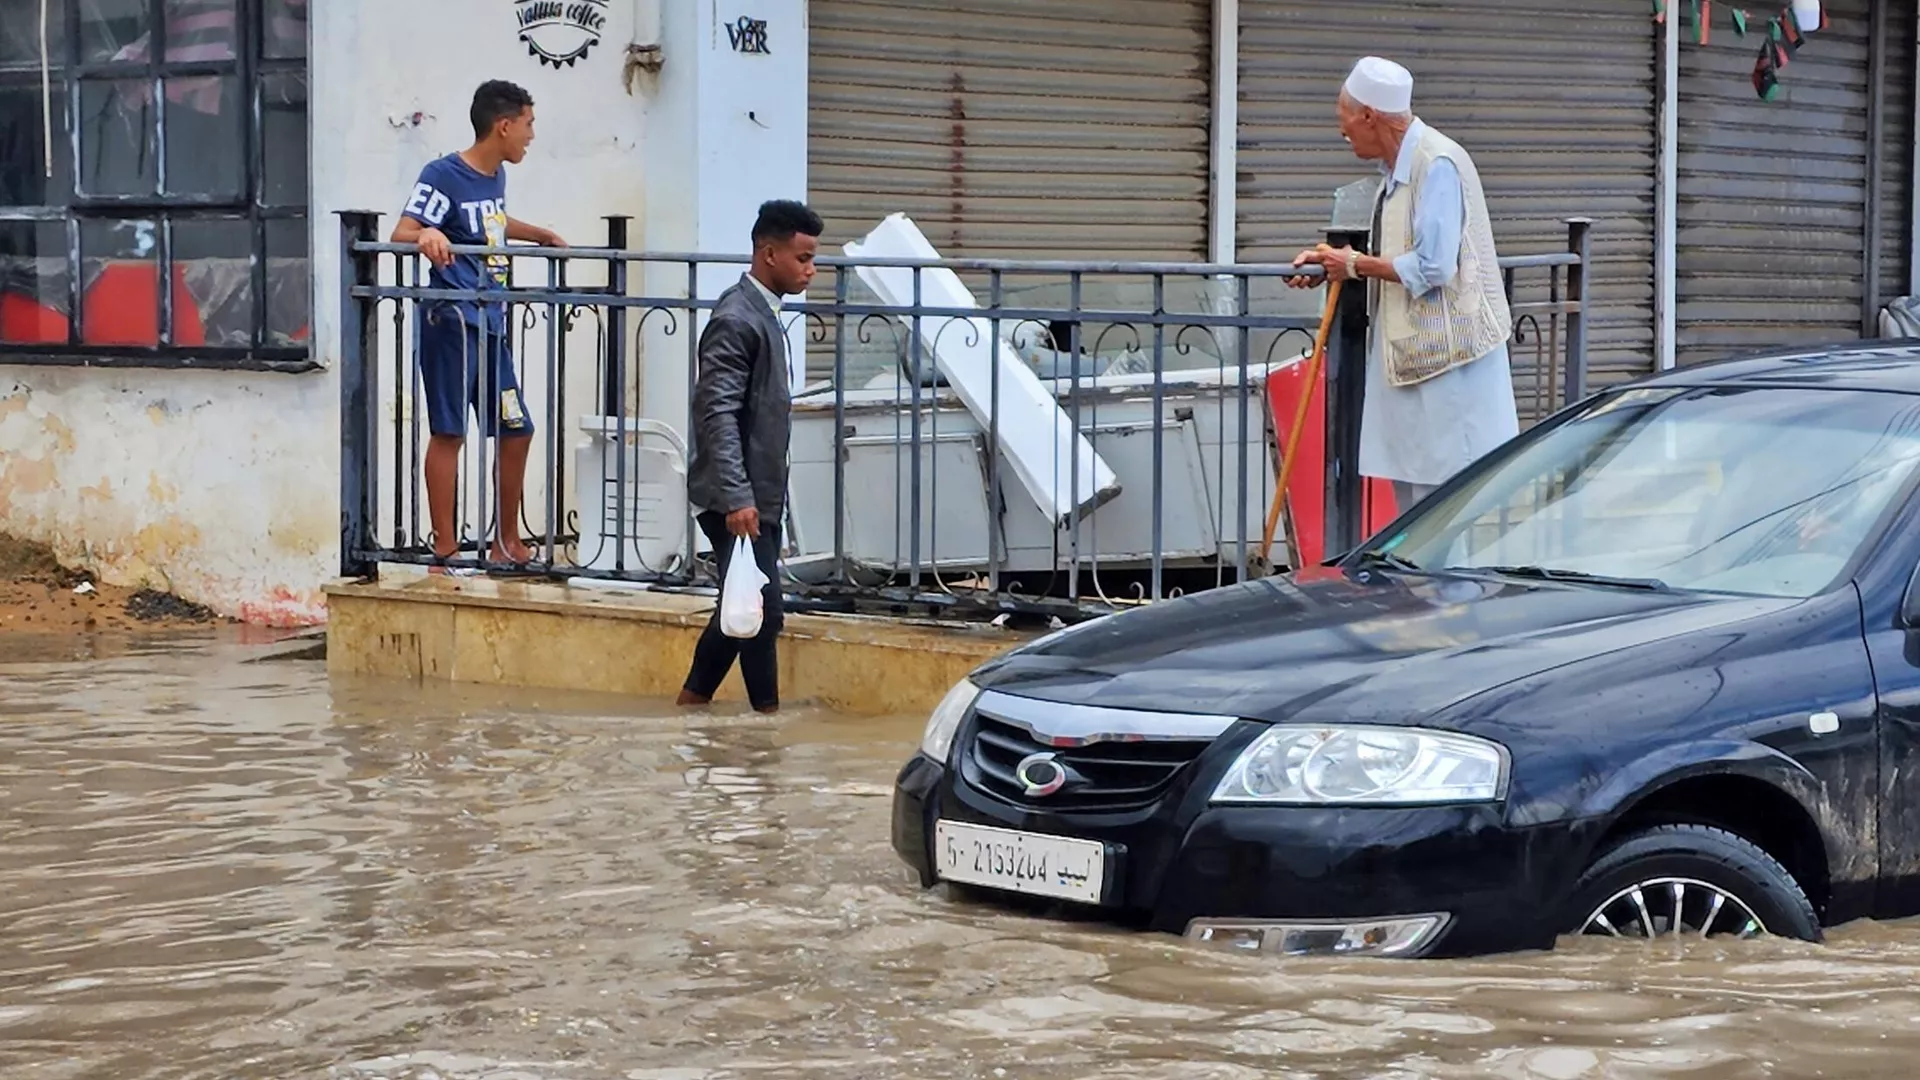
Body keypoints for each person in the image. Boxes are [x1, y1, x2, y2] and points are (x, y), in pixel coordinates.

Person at [1286, 56, 1519, 509]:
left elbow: (1434, 265)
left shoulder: (1436, 163)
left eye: (1346, 120)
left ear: (1370, 116)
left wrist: (1354, 264)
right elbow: (1390, 247)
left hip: (1451, 367)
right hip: (1413, 362)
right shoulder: (1396, 172)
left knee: (1446, 510)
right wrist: (1330, 262)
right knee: (1413, 512)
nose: (1343, 131)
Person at [391, 80, 566, 572]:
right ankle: (444, 548)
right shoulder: (443, 174)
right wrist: (426, 233)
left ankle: (505, 540)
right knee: (449, 432)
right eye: (528, 125)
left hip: (491, 321)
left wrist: (537, 235)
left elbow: (491, 222)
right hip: (450, 319)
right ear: (503, 125)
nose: (531, 135)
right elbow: (402, 230)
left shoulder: (494, 179)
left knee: (517, 427)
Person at [677, 200, 823, 714]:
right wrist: (739, 498)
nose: (811, 270)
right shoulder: (738, 319)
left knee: (747, 609)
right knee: (760, 611)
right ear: (769, 254)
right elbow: (715, 412)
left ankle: (694, 706)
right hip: (735, 498)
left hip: (753, 493)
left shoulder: (760, 313)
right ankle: (766, 725)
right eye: (803, 258)